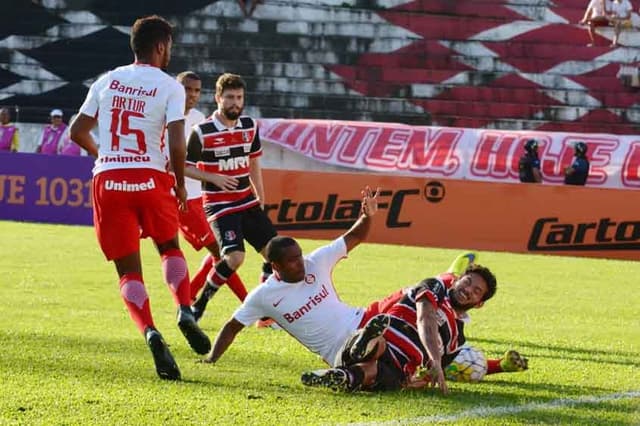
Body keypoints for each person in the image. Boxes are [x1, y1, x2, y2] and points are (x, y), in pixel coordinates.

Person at [69, 15, 210, 381]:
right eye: (170, 49)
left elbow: (77, 130)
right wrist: (179, 183)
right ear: (161, 46)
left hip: (109, 180)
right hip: (151, 176)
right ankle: (184, 309)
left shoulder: (107, 80)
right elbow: (177, 141)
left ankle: (149, 331)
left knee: (128, 271)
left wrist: (102, 156)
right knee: (169, 248)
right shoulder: (169, 86)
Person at [301, 264, 500, 394]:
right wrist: (435, 357)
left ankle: (341, 376)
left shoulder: (458, 339)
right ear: (457, 280)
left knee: (374, 370)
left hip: (399, 366)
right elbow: (425, 318)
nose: (468, 290)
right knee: (377, 344)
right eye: (467, 282)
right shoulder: (434, 288)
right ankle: (364, 344)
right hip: (386, 338)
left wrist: (418, 381)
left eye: (476, 291)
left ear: (479, 303)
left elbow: (429, 374)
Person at [186, 72, 278, 326]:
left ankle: (263, 312)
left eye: (239, 97)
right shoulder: (202, 131)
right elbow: (182, 166)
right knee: (235, 258)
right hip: (220, 204)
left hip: (246, 200)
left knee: (277, 253)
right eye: (229, 98)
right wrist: (213, 177)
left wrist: (260, 195)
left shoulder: (249, 126)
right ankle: (200, 302)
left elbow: (254, 162)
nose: (235, 103)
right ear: (217, 98)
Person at [174, 70, 249, 305]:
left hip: (204, 197)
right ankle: (251, 306)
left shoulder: (198, 119)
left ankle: (188, 295)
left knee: (220, 250)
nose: (192, 95)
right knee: (223, 253)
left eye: (196, 90)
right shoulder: (166, 118)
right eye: (187, 89)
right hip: (181, 199)